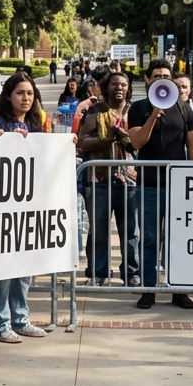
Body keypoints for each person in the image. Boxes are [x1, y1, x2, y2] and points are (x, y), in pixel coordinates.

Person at [0, 73, 53, 343]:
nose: (26, 98)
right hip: (1, 207)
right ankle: (0, 323)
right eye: (20, 93)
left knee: (25, 265)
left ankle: (20, 319)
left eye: (30, 94)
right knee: (1, 267)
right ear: (8, 96)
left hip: (29, 207)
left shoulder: (37, 123)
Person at [128, 60, 193, 310]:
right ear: (148, 79)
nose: (162, 78)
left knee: (177, 239)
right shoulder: (138, 108)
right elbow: (136, 142)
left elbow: (192, 144)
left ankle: (179, 289)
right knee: (149, 239)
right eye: (157, 75)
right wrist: (155, 113)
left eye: (166, 75)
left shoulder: (184, 108)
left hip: (178, 187)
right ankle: (149, 290)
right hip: (149, 185)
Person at [77, 70, 139, 287]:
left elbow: (141, 141)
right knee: (99, 230)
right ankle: (98, 273)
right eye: (114, 84)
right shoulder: (95, 111)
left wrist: (126, 139)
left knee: (130, 230)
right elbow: (82, 143)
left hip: (129, 180)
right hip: (98, 180)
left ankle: (131, 273)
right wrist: (107, 139)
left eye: (123, 84)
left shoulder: (135, 111)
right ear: (106, 88)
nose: (119, 88)